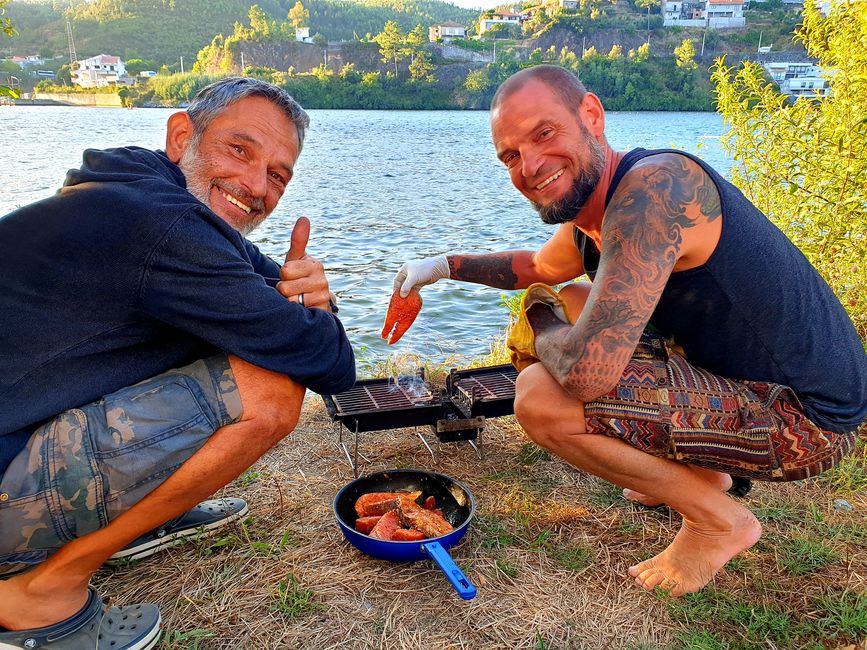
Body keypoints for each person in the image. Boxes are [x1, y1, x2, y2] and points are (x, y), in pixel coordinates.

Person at [393, 65, 866, 598]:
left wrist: (540, 318)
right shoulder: (597, 213)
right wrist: (441, 265)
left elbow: (585, 374)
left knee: (541, 397)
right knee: (574, 297)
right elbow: (537, 269)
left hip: (807, 419)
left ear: (591, 116)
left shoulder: (653, 193)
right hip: (742, 382)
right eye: (510, 156)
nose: (529, 165)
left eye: (544, 134)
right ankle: (704, 479)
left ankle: (718, 521)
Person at [0, 77, 355, 647]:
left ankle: (138, 516)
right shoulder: (161, 222)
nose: (254, 184)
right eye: (239, 149)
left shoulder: (146, 189)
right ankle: (41, 592)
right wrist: (316, 314)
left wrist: (312, 296)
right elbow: (328, 361)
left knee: (239, 333)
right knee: (270, 387)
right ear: (181, 134)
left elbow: (276, 302)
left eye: (278, 175)